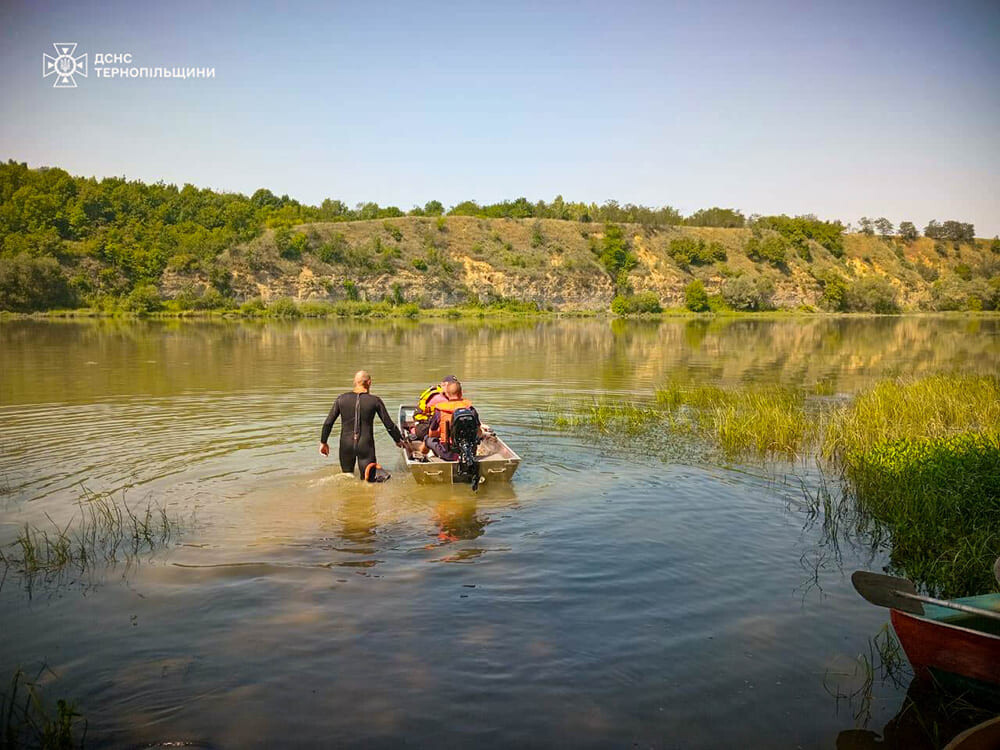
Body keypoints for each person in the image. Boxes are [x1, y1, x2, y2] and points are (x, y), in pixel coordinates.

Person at [320, 370, 403, 480]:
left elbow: (328, 423)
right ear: (369, 382)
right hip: (365, 445)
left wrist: (323, 442)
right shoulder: (375, 401)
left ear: (355, 382)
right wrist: (398, 440)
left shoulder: (341, 399)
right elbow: (389, 425)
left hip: (346, 445)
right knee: (368, 481)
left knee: (346, 477)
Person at [423, 380, 482, 461]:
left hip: (447, 453)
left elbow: (431, 434)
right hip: (470, 451)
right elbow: (479, 432)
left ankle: (422, 455)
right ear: (461, 393)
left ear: (446, 394)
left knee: (427, 439)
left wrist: (443, 433)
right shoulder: (470, 409)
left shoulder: (439, 410)